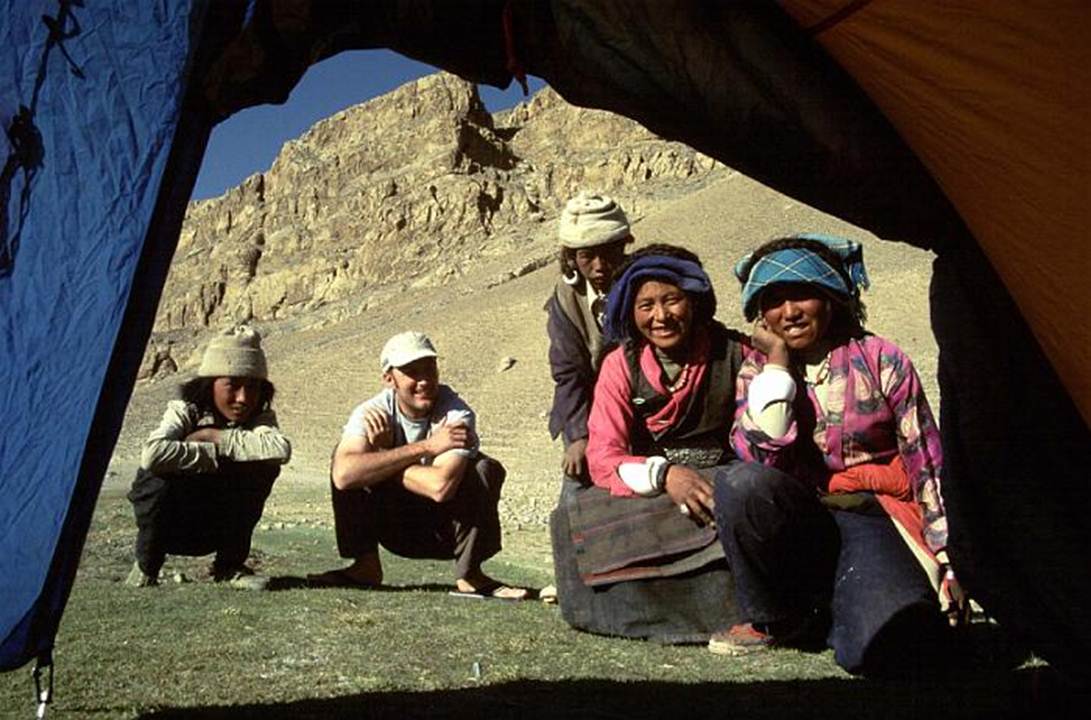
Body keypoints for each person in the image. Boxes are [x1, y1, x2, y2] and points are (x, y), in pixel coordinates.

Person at [713, 233, 967, 675]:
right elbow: (757, 459)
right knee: (740, 483)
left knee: (879, 649)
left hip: (872, 516)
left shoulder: (881, 359)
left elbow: (926, 460)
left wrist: (951, 560)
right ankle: (775, 617)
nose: (789, 312)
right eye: (774, 300)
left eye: (803, 296)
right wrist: (776, 365)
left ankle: (835, 611)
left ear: (832, 298)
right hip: (799, 519)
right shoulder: (756, 369)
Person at [551, 244, 780, 643]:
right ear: (630, 310)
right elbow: (604, 453)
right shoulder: (619, 364)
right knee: (573, 504)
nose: (660, 317)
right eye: (646, 305)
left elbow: (768, 435)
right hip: (648, 479)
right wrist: (665, 475)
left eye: (672, 300)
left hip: (723, 473)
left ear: (693, 300)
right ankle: (614, 613)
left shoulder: (736, 353)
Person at [308, 331, 527, 600]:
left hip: (444, 532)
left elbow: (441, 487)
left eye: (430, 370)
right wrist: (425, 447)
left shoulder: (456, 414)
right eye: (412, 372)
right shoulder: (373, 412)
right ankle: (365, 566)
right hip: (393, 526)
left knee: (485, 468)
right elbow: (343, 475)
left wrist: (382, 457)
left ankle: (470, 574)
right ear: (389, 379)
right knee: (343, 458)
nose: (424, 381)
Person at [126, 326, 291, 591]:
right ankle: (147, 566)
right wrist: (212, 456)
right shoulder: (185, 410)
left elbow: (278, 449)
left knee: (263, 467)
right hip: (172, 524)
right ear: (210, 384)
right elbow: (153, 454)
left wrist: (212, 437)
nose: (243, 398)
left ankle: (229, 566)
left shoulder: (260, 417)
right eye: (232, 386)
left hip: (217, 524)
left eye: (252, 387)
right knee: (157, 475)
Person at [546, 192, 633, 480]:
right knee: (579, 484)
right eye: (587, 255)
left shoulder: (645, 286)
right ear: (571, 258)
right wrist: (578, 435)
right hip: (590, 407)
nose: (599, 265)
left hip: (642, 402)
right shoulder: (566, 300)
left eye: (608, 252)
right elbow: (568, 374)